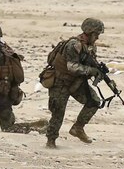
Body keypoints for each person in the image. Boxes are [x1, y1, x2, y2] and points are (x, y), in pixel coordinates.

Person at [42, 18, 105, 148]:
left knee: (94, 101)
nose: (98, 37)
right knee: (58, 113)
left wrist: (97, 71)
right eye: (96, 34)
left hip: (76, 82)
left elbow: (88, 63)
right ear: (89, 32)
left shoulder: (91, 47)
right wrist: (90, 70)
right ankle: (51, 141)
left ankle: (78, 128)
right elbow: (72, 67)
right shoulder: (73, 45)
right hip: (60, 82)